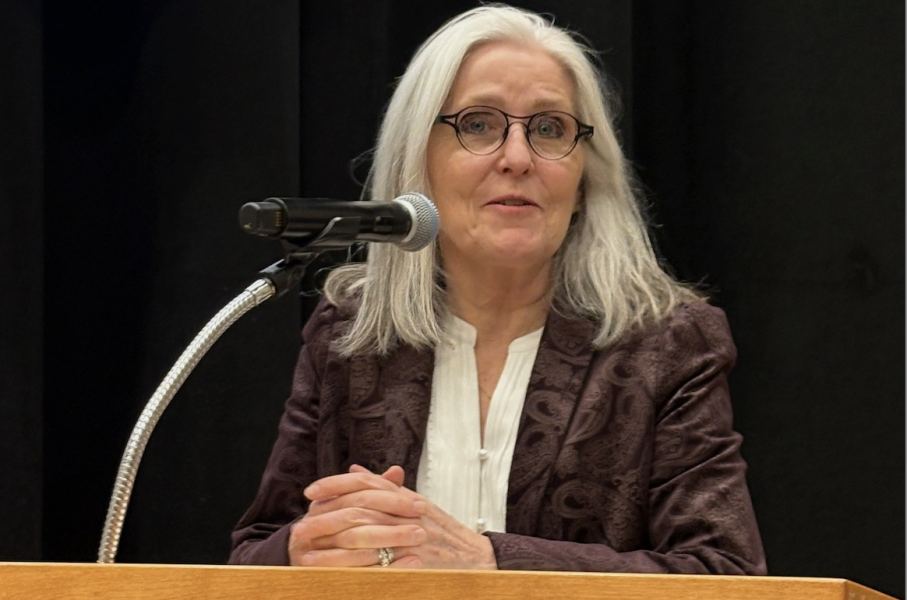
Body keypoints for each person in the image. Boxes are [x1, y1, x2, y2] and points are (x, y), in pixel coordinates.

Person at [228, 4, 766, 574]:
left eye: (549, 128)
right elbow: (254, 554)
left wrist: (490, 560)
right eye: (478, 124)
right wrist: (302, 549)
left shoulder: (668, 345)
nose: (516, 158)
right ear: (420, 159)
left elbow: (724, 571)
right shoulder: (348, 336)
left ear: (584, 176)